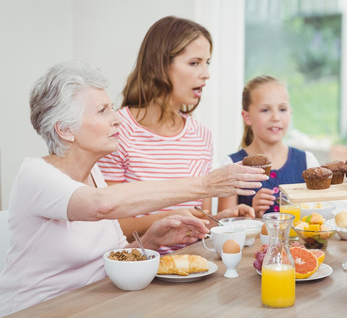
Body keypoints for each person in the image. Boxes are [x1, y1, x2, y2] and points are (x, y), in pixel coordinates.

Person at [0, 61, 267, 316]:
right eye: (102, 111)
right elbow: (100, 205)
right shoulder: (35, 176)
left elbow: (113, 256)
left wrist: (153, 239)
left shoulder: (93, 173)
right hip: (36, 311)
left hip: (93, 306)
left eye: (112, 108)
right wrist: (206, 184)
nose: (117, 119)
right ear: (65, 130)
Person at [98, 16, 253, 254]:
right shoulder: (118, 130)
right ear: (160, 65)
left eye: (207, 63)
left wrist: (220, 220)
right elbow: (110, 225)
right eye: (194, 63)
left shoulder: (201, 135)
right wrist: (169, 217)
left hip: (194, 268)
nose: (206, 74)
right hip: (140, 269)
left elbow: (198, 219)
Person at [219, 75, 319, 217]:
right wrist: (253, 213)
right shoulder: (231, 166)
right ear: (247, 117)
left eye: (282, 109)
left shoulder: (308, 161)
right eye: (265, 110)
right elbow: (223, 227)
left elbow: (317, 218)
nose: (276, 117)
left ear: (290, 113)